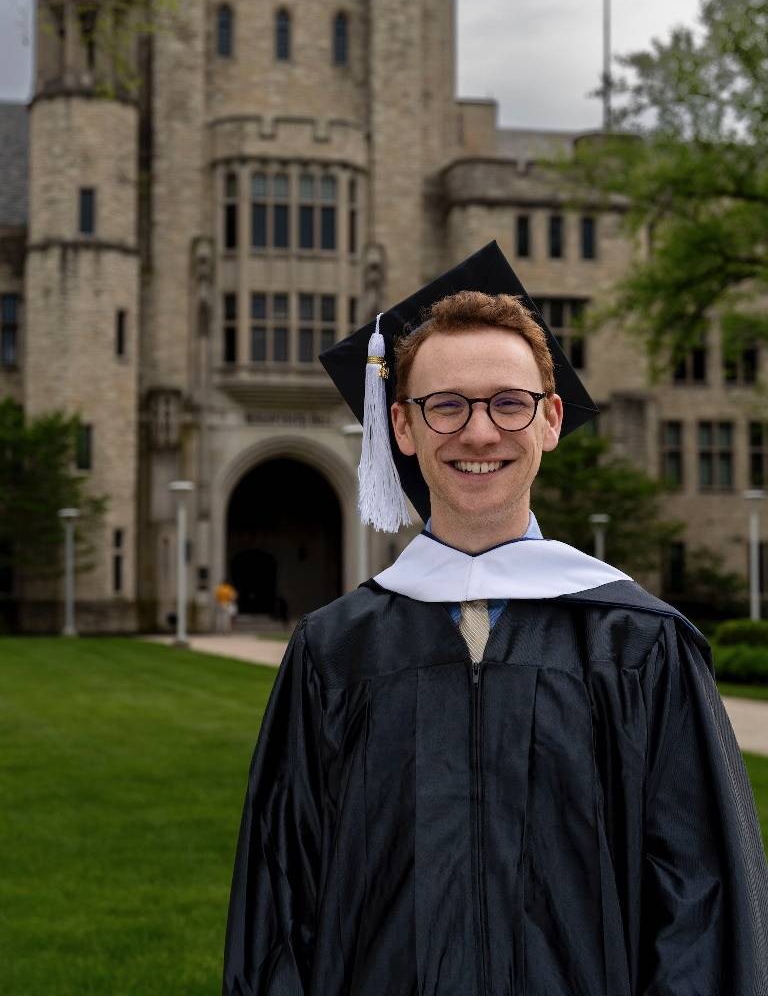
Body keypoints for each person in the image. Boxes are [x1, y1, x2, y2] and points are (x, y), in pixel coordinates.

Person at [222, 242, 768, 996]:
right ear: (402, 428)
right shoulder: (335, 654)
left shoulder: (640, 646)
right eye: (445, 405)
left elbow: (701, 909)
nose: (479, 433)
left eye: (507, 403)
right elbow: (280, 909)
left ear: (549, 420)